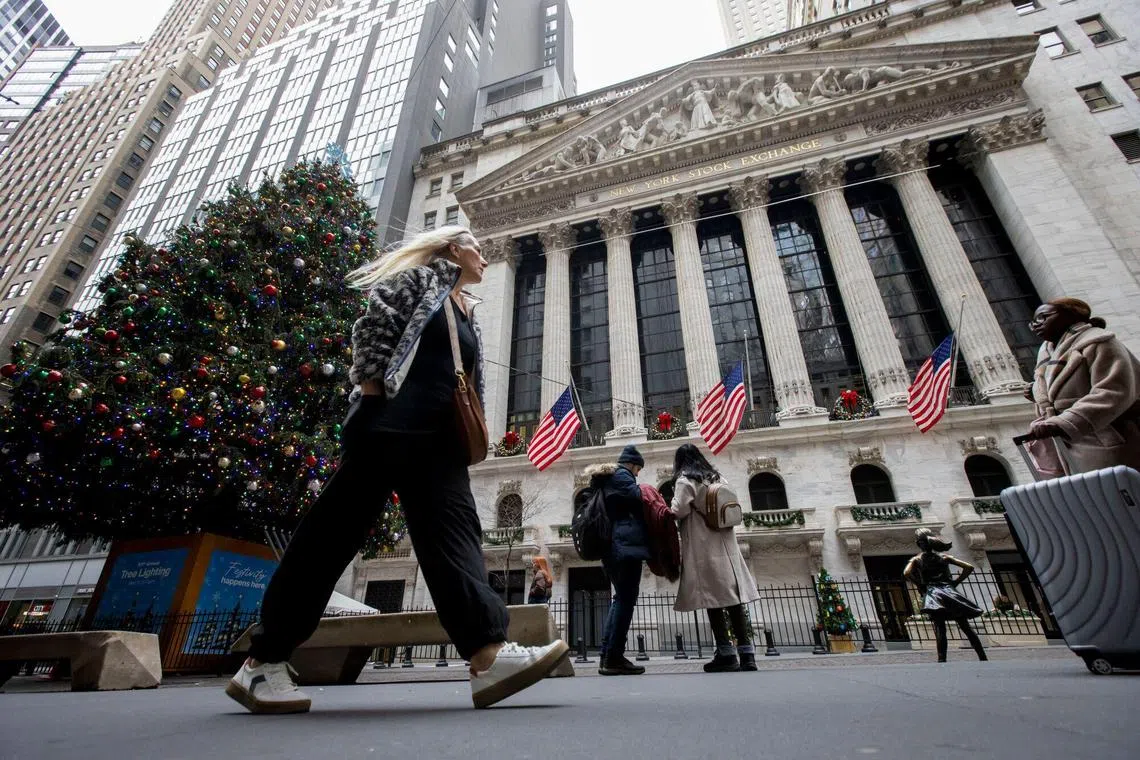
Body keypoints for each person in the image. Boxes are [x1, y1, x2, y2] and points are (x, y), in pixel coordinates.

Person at [226, 226, 568, 714]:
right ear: (453, 248)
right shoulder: (414, 281)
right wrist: (370, 405)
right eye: (477, 248)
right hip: (391, 427)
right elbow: (372, 331)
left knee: (457, 538)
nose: (485, 258)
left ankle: (488, 654)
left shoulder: (465, 308)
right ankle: (265, 661)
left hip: (440, 443)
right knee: (330, 541)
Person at [669, 444, 760, 673]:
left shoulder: (685, 480)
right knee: (733, 599)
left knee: (713, 599)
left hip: (703, 546)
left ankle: (726, 653)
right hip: (727, 544)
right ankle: (747, 655)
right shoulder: (718, 476)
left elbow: (678, 510)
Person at [1025, 297, 1140, 474]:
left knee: (1118, 494)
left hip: (1104, 440)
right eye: (1033, 321)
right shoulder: (1047, 352)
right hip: (1066, 445)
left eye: (1043, 317)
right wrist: (1037, 392)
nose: (1035, 325)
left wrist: (1065, 422)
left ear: (1071, 315)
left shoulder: (1099, 342)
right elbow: (1064, 385)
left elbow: (1114, 391)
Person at [584, 445, 651, 676]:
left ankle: (608, 654)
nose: (638, 473)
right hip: (624, 546)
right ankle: (614, 655)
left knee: (619, 598)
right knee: (625, 600)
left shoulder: (607, 480)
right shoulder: (622, 476)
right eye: (638, 469)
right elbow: (639, 500)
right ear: (632, 464)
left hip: (613, 546)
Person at [903, 529, 987, 664]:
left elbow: (906, 573)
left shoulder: (917, 559)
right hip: (949, 591)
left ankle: (942, 658)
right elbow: (969, 567)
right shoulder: (944, 557)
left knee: (940, 628)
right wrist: (956, 582)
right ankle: (982, 655)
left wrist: (920, 584)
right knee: (965, 626)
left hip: (934, 593)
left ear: (919, 543)